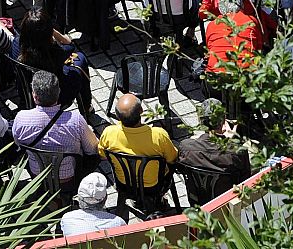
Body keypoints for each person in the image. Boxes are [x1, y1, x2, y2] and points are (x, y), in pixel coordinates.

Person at [11, 70, 98, 198]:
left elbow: (18, 144)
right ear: (58, 93)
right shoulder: (75, 120)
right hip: (68, 179)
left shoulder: (21, 118)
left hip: (37, 176)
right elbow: (92, 150)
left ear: (34, 96)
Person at [98, 92, 179, 193]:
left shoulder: (109, 133)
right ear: (141, 110)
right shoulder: (158, 135)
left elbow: (102, 155)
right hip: (154, 186)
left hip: (124, 184)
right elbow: (172, 158)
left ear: (118, 116)